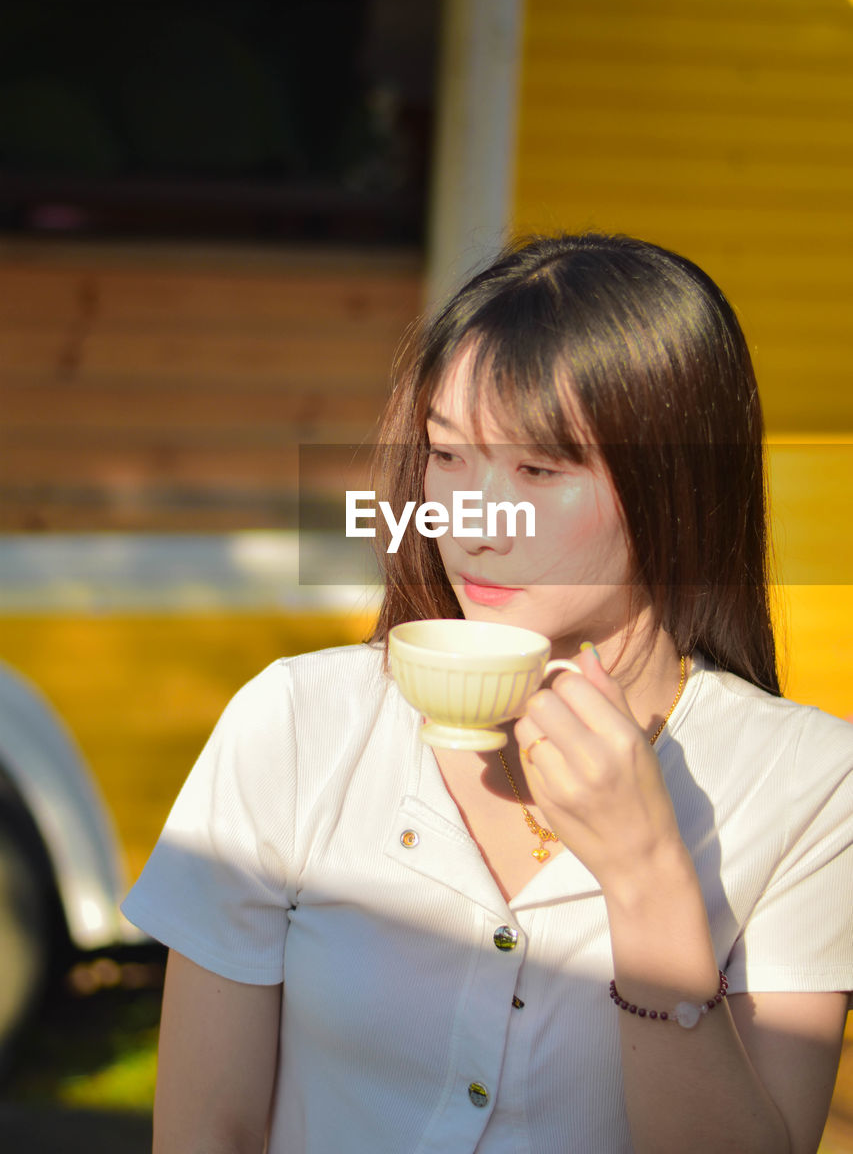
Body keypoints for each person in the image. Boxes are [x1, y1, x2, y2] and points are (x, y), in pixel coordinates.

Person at [123, 232, 853, 1154]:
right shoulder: (300, 720)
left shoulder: (808, 782)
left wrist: (647, 883)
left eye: (539, 470)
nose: (470, 518)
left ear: (677, 480)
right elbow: (202, 1131)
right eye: (448, 456)